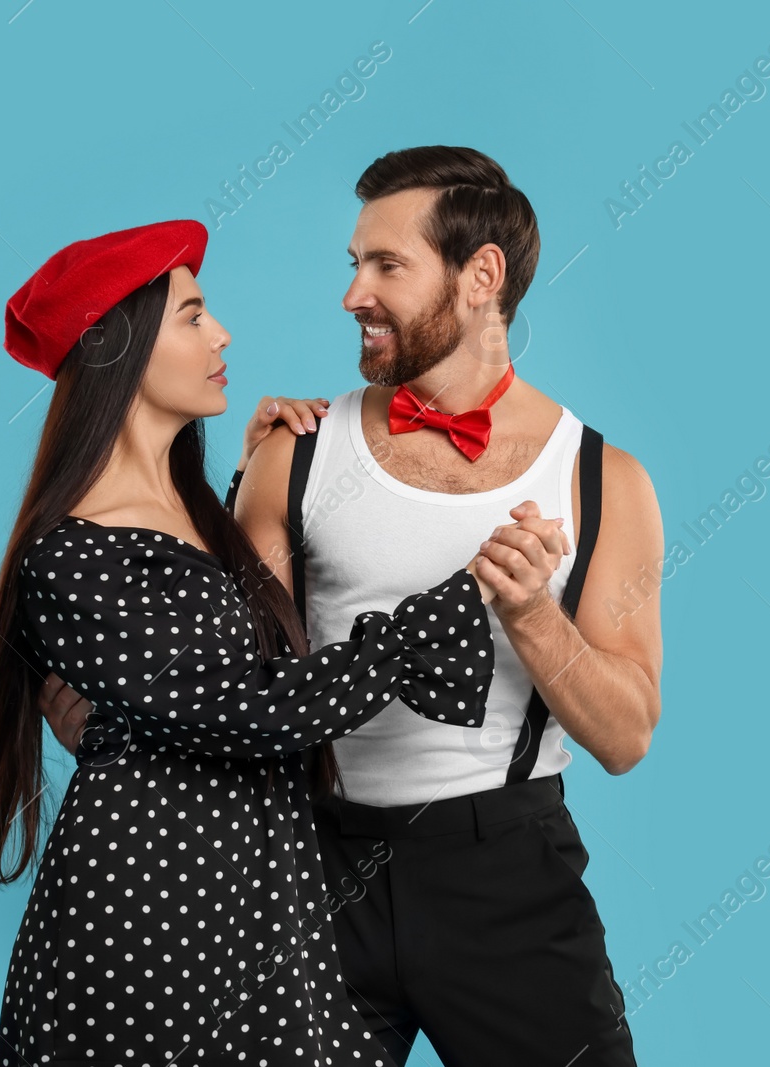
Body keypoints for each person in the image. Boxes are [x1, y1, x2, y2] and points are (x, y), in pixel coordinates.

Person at [42, 148, 665, 1067]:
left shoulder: (603, 480)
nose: (353, 294)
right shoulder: (298, 452)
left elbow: (626, 735)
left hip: (505, 872)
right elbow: (219, 673)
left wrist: (533, 616)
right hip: (304, 868)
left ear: (480, 277)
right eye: (352, 264)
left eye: (386, 265)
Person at [0, 218, 567, 1067]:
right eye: (192, 316)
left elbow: (217, 643)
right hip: (151, 920)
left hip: (255, 902)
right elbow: (248, 708)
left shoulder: (195, 517)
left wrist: (253, 482)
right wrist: (457, 600)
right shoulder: (70, 553)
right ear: (120, 345)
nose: (222, 332)